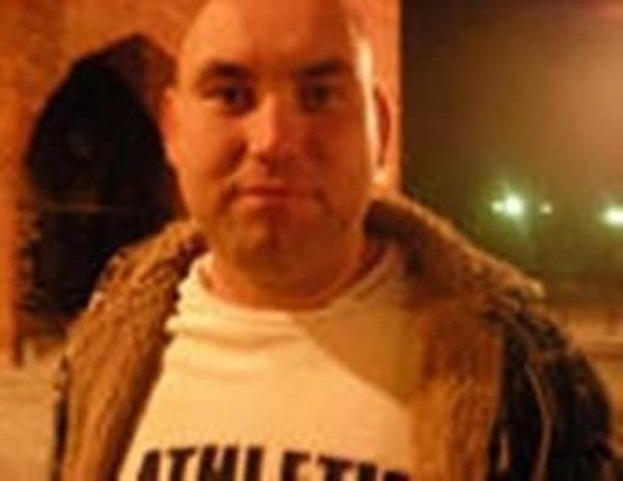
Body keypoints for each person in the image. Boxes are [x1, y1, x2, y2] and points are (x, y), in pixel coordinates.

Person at [51, 0, 619, 480]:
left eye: (320, 95)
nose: (273, 141)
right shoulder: (100, 357)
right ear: (174, 130)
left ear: (380, 130)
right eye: (231, 95)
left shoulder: (525, 375)